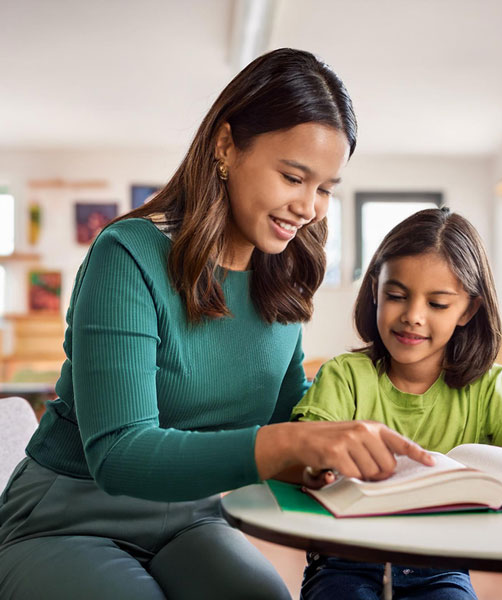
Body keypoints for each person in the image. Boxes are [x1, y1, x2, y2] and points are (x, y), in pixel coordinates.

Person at [0, 48, 435, 600]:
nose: (310, 207)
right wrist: (292, 442)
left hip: (194, 518)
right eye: (293, 177)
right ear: (226, 146)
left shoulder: (285, 277)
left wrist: (338, 456)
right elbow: (119, 454)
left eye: (325, 188)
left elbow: (283, 419)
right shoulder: (127, 255)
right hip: (71, 514)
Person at [291, 207, 502, 600]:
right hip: (345, 560)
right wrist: (316, 467)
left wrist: (465, 467)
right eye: (396, 296)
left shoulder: (484, 386)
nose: (412, 316)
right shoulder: (344, 376)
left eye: (438, 304)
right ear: (375, 289)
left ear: (469, 310)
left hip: (440, 567)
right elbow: (299, 450)